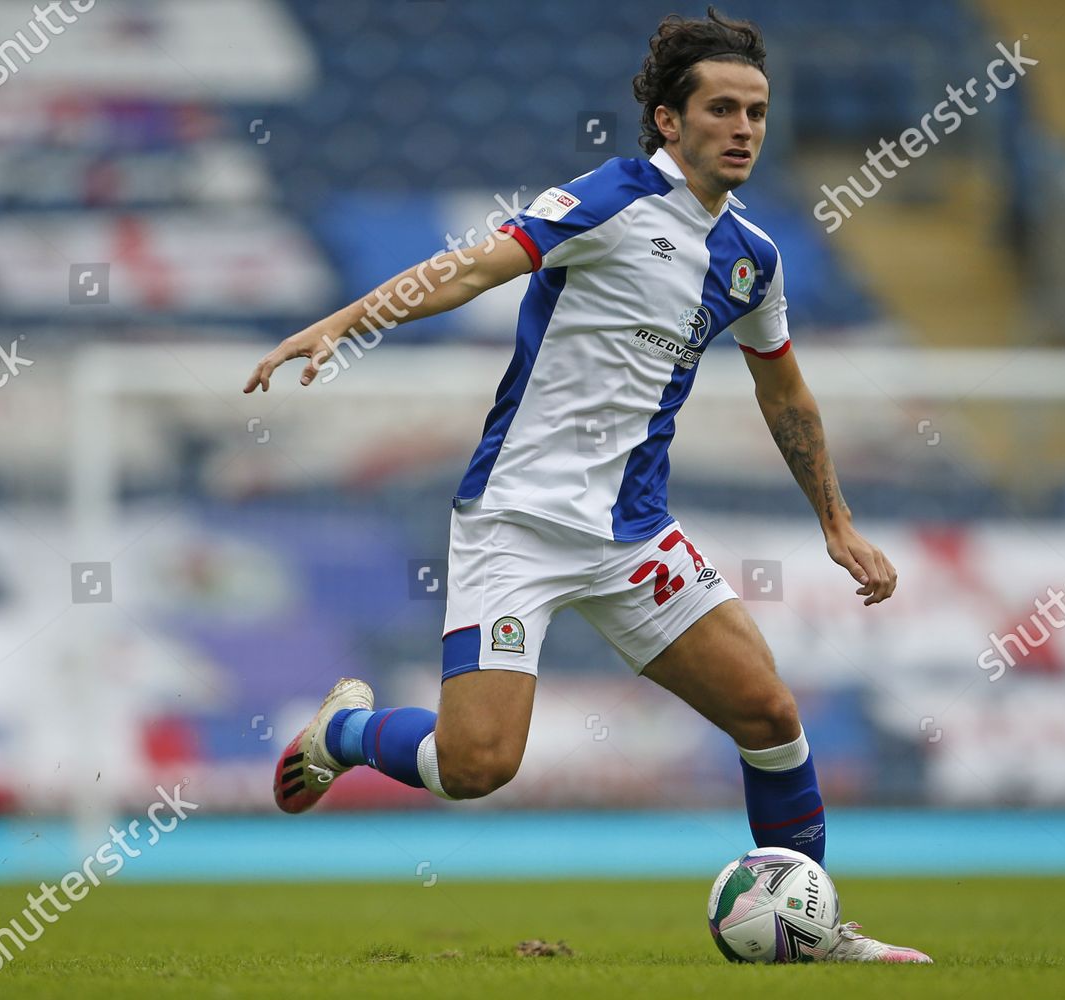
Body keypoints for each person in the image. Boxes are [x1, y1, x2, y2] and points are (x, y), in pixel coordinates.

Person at [244, 6, 929, 964]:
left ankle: (807, 926)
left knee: (770, 716)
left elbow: (787, 394)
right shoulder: (609, 200)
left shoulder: (752, 259)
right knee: (476, 765)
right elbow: (472, 267)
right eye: (722, 108)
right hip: (516, 523)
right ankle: (347, 731)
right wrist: (348, 322)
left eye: (757, 112)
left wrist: (838, 523)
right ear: (668, 121)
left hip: (634, 536)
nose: (743, 129)